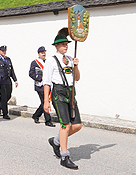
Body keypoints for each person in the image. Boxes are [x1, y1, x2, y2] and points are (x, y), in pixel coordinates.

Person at [43, 29, 83, 169]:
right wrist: (46, 101)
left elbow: (77, 78)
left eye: (66, 44)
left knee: (77, 125)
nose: (65, 46)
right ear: (56, 46)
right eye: (62, 44)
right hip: (58, 93)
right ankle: (64, 156)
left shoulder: (71, 59)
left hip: (71, 92)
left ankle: (56, 141)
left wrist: (76, 66)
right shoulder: (51, 60)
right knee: (65, 125)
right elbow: (47, 82)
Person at [29, 46, 54, 127]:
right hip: (40, 85)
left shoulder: (47, 62)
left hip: (47, 85)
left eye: (44, 52)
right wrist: (40, 78)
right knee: (44, 101)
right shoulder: (35, 62)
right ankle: (48, 120)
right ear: (38, 54)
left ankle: (36, 115)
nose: (43, 54)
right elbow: (31, 73)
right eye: (41, 53)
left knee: (44, 102)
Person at [0, 45, 18, 119]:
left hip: (8, 80)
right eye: (2, 51)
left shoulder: (8, 59)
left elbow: (11, 70)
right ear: (0, 51)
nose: (4, 52)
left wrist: (15, 80)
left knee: (8, 96)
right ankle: (5, 113)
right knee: (3, 97)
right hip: (1, 81)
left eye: (5, 51)